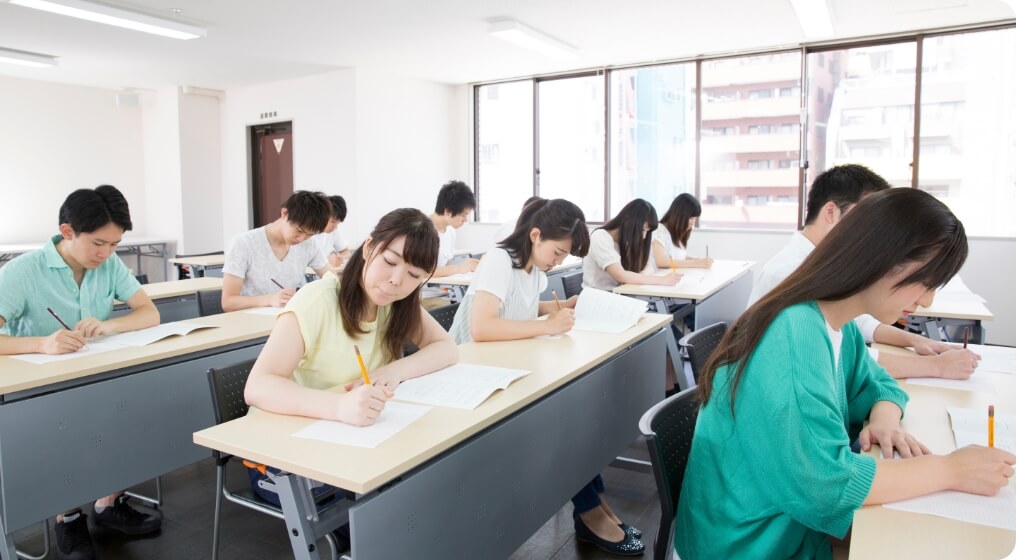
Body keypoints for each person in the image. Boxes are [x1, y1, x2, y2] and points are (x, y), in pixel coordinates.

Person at [675, 188, 1016, 559]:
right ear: (883, 258)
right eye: (928, 281)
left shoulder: (837, 323)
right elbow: (824, 489)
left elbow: (878, 382)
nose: (928, 300)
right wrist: (951, 470)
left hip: (782, 524)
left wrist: (885, 419)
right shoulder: (795, 331)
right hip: (747, 545)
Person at [447, 199, 643, 555]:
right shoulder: (499, 260)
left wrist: (558, 309)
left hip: (505, 368)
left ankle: (594, 504)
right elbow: (482, 327)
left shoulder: (532, 268)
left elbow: (518, 308)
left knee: (571, 417)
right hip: (469, 378)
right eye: (557, 252)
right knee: (561, 424)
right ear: (535, 235)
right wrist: (548, 325)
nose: (557, 262)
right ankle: (589, 511)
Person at [0, 185, 162, 560]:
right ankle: (68, 517)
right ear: (68, 231)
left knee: (134, 415)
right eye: (98, 243)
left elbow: (149, 313)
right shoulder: (22, 272)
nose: (106, 254)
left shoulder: (108, 264)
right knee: (71, 432)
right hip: (37, 389)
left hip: (97, 375)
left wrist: (111, 326)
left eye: (115, 245)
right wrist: (41, 344)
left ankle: (107, 505)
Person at [748, 164, 980, 380]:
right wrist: (936, 367)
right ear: (831, 213)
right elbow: (838, 363)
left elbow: (856, 324)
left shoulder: (830, 273)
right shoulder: (787, 274)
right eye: (866, 218)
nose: (876, 234)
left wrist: (912, 339)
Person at [221, 190, 331, 312]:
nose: (301, 239)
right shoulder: (244, 243)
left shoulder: (309, 244)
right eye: (299, 231)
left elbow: (331, 279)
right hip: (249, 322)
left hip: (287, 319)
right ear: (285, 213)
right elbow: (228, 302)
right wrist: (269, 300)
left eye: (309, 235)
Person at [582, 199, 682, 291]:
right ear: (627, 219)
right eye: (643, 229)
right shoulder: (600, 237)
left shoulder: (626, 240)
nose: (644, 236)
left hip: (620, 293)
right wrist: (661, 280)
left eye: (647, 231)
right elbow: (620, 275)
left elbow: (646, 268)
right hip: (598, 297)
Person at [430, 180, 479, 277]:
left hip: (439, 289)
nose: (465, 220)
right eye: (463, 215)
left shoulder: (450, 232)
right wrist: (459, 268)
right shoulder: (422, 230)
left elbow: (446, 266)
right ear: (448, 211)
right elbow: (424, 272)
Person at [651, 193, 713, 270]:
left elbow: (679, 257)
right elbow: (661, 261)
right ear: (679, 215)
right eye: (690, 218)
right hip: (657, 279)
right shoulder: (659, 230)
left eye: (695, 218)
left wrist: (696, 260)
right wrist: (697, 263)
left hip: (672, 278)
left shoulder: (677, 232)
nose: (693, 223)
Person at [314, 194, 351, 269]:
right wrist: (326, 261)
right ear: (323, 215)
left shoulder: (334, 231)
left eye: (338, 223)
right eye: (333, 221)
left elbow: (346, 252)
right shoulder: (309, 232)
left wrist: (340, 258)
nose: (335, 227)